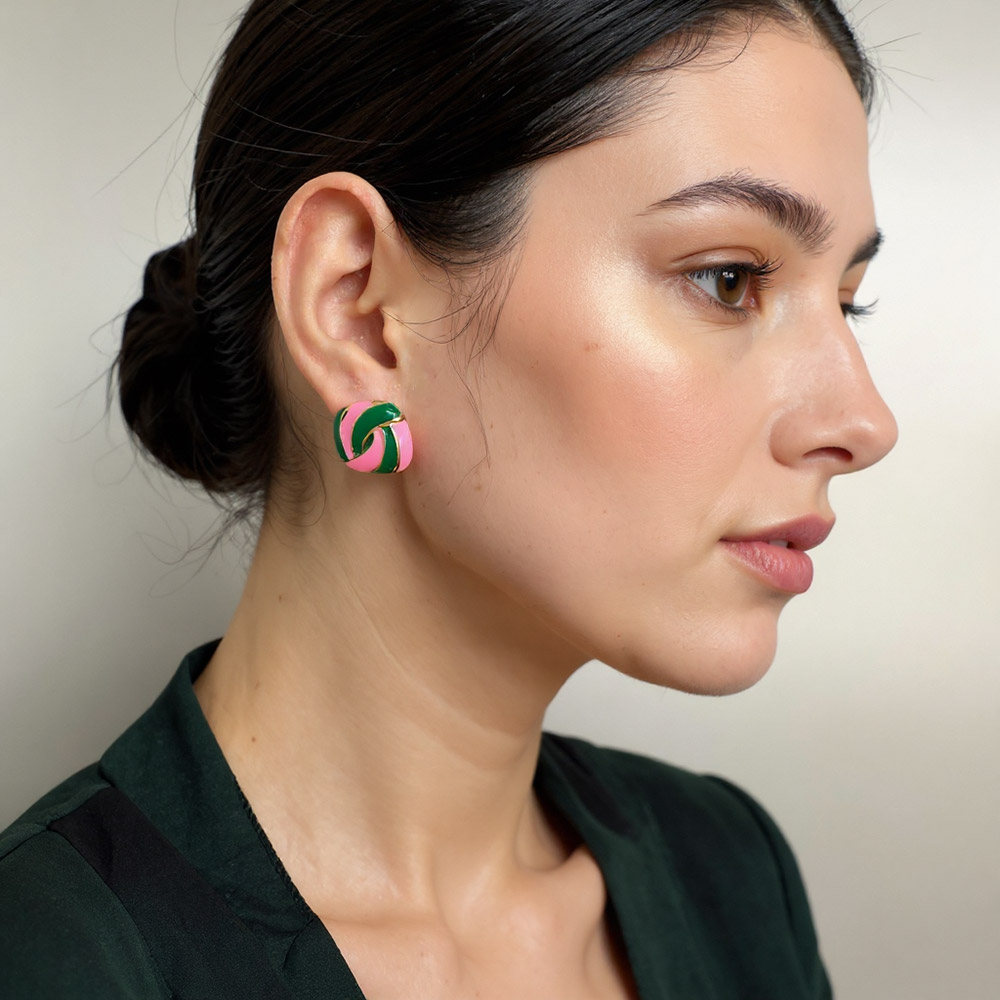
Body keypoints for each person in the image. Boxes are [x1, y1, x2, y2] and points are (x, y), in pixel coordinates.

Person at [0, 1, 897, 997]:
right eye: (729, 279)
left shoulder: (729, 874)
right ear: (360, 313)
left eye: (845, 301)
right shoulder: (51, 959)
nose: (864, 421)